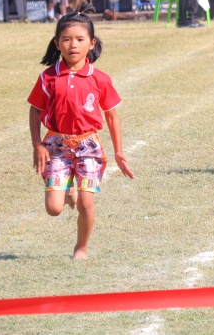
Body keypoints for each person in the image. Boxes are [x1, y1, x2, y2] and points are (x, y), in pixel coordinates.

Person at [28, 13, 135, 259]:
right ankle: (67, 192)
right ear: (57, 43)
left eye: (79, 39)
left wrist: (118, 152)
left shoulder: (100, 79)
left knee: (86, 204)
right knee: (53, 209)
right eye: (66, 39)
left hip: (88, 147)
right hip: (56, 145)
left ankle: (81, 248)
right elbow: (35, 110)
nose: (73, 45)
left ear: (91, 43)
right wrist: (37, 145)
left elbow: (111, 117)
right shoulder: (48, 77)